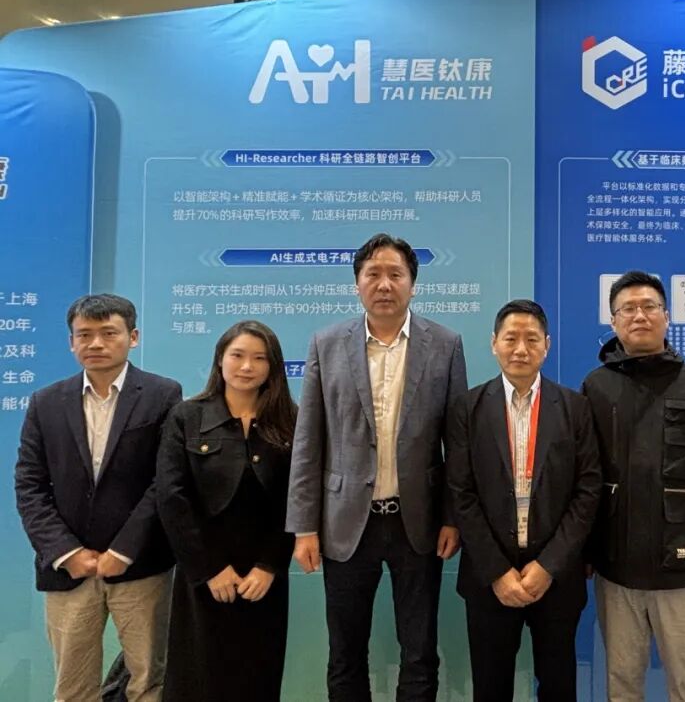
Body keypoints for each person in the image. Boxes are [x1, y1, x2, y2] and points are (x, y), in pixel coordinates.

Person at [286, 233, 468, 701]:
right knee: (345, 652)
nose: (384, 284)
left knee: (419, 651)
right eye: (373, 274)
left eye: (395, 274)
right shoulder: (327, 344)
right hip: (345, 522)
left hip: (418, 523)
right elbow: (309, 441)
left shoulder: (445, 344)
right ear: (357, 284)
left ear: (413, 284)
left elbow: (457, 443)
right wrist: (304, 527)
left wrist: (452, 517)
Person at [581, 271, 685, 702]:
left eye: (649, 307)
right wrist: (584, 553)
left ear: (666, 316)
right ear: (614, 321)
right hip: (617, 570)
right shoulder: (596, 387)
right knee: (621, 684)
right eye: (628, 309)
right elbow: (584, 479)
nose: (639, 316)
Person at [14, 293, 181, 702]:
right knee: (72, 687)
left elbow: (165, 480)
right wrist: (66, 552)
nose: (96, 343)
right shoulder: (46, 402)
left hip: (141, 566)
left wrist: (124, 550)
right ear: (71, 342)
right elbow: (30, 485)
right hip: (70, 570)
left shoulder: (162, 395)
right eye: (84, 334)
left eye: (108, 333)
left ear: (133, 337)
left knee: (148, 682)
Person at [447, 300, 601, 701]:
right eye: (511, 338)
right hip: (489, 576)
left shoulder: (575, 408)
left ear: (546, 345)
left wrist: (548, 566)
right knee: (490, 687)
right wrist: (498, 571)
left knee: (558, 685)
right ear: (493, 343)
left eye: (531, 339)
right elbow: (461, 493)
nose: (520, 349)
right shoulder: (467, 408)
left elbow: (587, 492)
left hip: (556, 575)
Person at [156, 320, 297, 701]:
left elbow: (296, 499)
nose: (247, 366)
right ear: (220, 359)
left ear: (273, 367)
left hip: (263, 577)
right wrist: (209, 569)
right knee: (198, 677)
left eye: (259, 358)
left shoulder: (291, 420)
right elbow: (172, 497)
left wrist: (270, 565)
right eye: (237, 355)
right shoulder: (187, 416)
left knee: (257, 676)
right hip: (203, 572)